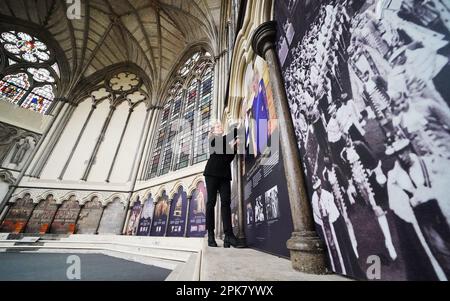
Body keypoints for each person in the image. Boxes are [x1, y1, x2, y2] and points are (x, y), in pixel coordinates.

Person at [203, 121, 243, 248]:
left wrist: (235, 148)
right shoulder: (213, 139)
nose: (220, 127)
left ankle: (229, 236)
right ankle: (210, 235)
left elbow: (228, 159)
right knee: (211, 202)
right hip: (212, 173)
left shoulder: (226, 143)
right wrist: (239, 128)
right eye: (218, 126)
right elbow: (230, 136)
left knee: (226, 203)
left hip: (225, 175)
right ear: (213, 131)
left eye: (221, 126)